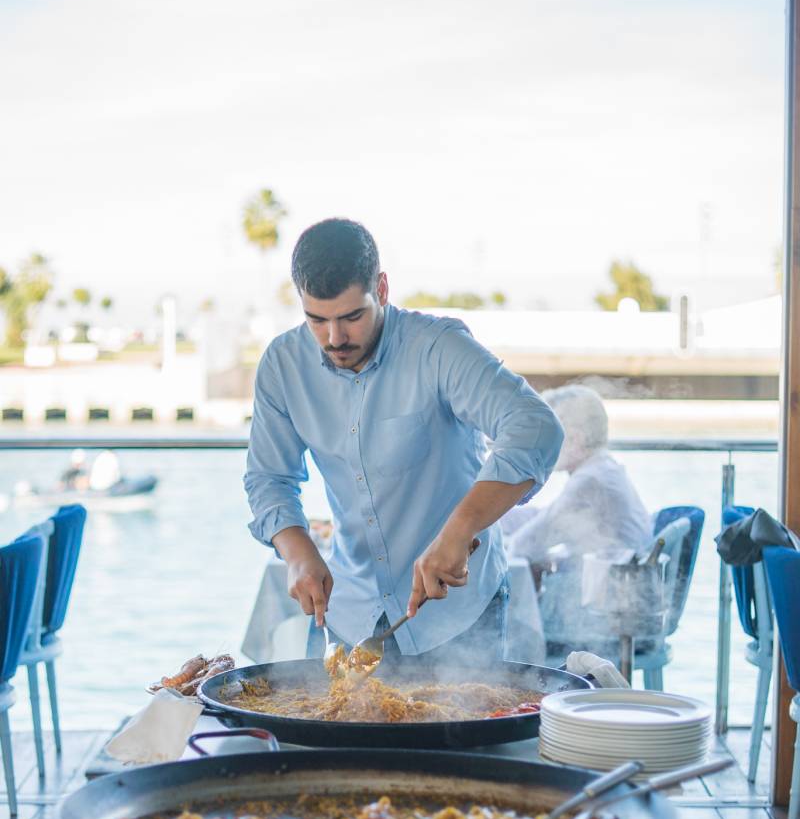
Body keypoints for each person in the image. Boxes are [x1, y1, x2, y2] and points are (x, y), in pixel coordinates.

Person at [244, 218, 563, 665]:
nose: (335, 339)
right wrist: (297, 553)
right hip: (347, 613)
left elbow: (535, 427)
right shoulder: (283, 364)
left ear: (383, 289)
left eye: (352, 317)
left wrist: (458, 532)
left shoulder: (437, 348)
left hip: (455, 616)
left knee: (459, 731)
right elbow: (268, 477)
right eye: (317, 320)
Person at [503, 385, 651, 568]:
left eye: (548, 434)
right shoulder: (604, 469)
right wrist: (492, 516)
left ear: (576, 438)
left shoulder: (590, 481)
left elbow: (526, 544)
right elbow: (546, 517)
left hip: (607, 588)